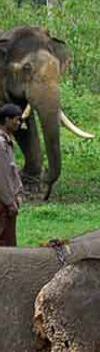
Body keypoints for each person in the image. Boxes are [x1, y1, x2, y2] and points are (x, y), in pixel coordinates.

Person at [0, 104, 24, 246]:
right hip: (3, 203)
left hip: (6, 201)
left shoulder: (7, 141)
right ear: (7, 119)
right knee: (5, 243)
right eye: (16, 119)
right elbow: (2, 177)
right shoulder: (1, 144)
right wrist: (10, 202)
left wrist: (18, 194)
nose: (19, 123)